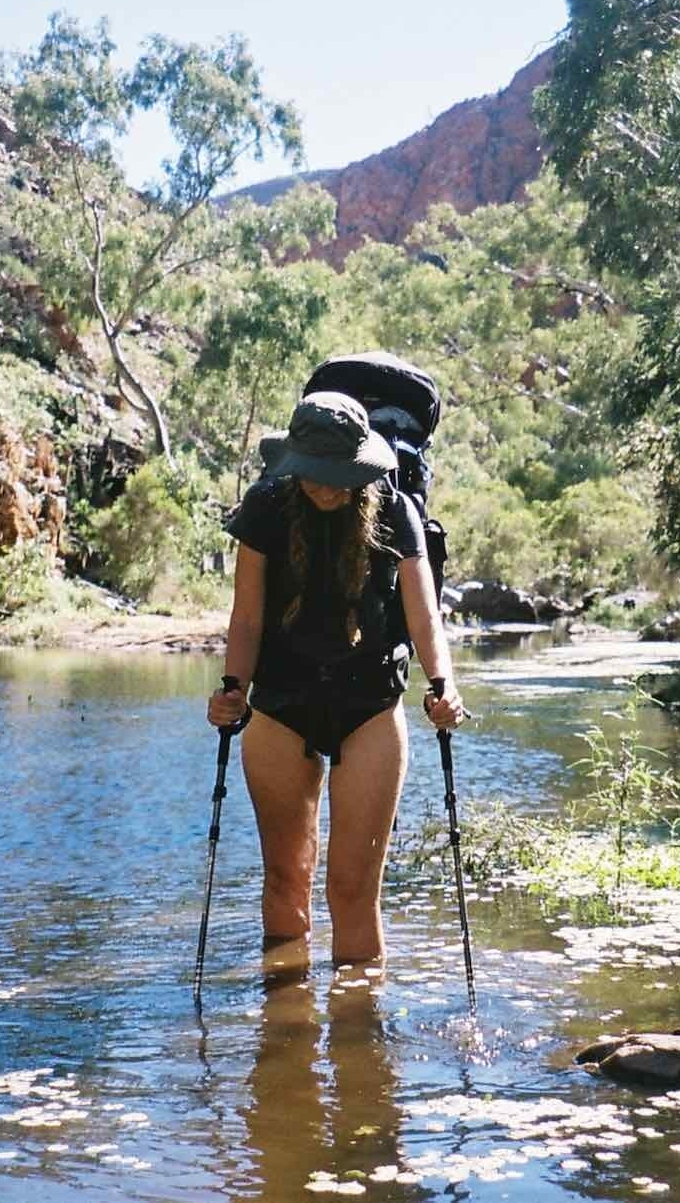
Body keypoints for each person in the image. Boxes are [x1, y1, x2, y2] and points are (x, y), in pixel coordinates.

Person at [206, 391, 465, 968]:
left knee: (351, 890)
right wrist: (232, 690)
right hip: (280, 702)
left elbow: (424, 615)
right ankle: (285, 1032)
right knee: (285, 879)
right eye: (313, 475)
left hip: (368, 704)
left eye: (337, 475)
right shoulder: (267, 507)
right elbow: (246, 616)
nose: (324, 486)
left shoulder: (396, 512)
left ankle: (359, 1035)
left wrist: (443, 684)